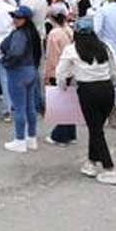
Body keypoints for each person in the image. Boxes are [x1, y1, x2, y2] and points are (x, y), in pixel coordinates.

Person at [57, 18, 116, 185]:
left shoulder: (71, 49)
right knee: (97, 127)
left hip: (88, 90)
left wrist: (62, 87)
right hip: (106, 88)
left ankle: (109, 168)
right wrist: (112, 83)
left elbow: (61, 73)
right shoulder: (105, 47)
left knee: (96, 130)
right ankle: (91, 162)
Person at [0, 5, 42, 153]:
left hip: (18, 72)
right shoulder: (32, 33)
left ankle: (19, 140)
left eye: (18, 17)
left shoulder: (19, 34)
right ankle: (31, 138)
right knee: (30, 107)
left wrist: (6, 62)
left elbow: (13, 51)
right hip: (31, 70)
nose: (15, 19)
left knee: (19, 108)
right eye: (14, 16)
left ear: (25, 19)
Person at [43, 8, 76, 145]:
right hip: (70, 69)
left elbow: (52, 56)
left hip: (58, 70)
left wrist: (48, 74)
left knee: (60, 104)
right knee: (68, 102)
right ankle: (71, 133)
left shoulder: (53, 34)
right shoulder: (68, 30)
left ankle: (60, 135)